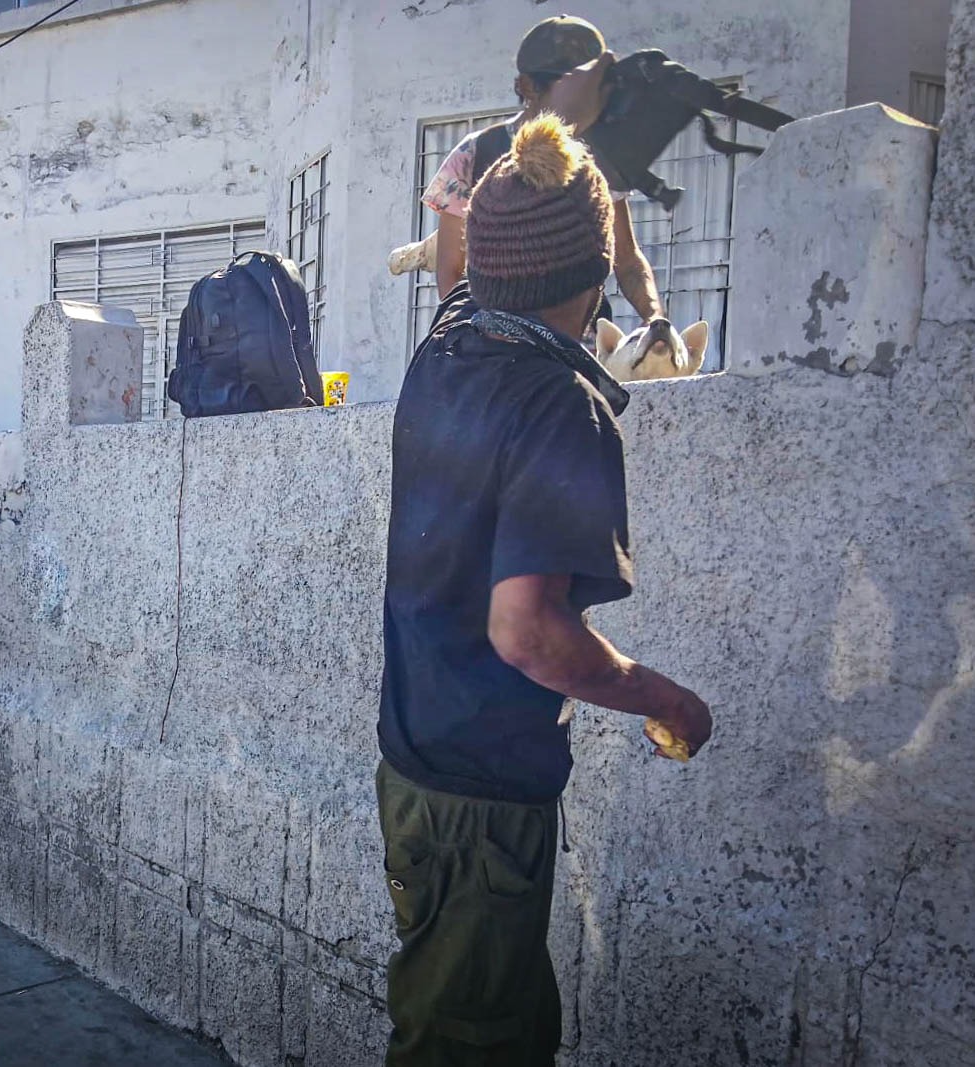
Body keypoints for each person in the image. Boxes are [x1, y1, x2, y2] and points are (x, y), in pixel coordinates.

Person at [376, 113, 713, 1066]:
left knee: (493, 1028)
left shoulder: (446, 344)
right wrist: (665, 696)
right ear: (597, 270)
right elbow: (525, 630)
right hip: (480, 797)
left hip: (410, 766)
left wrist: (475, 188)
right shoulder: (560, 406)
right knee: (468, 1046)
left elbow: (452, 271)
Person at [422, 15, 662, 326]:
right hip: (498, 350)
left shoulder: (600, 159)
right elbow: (452, 270)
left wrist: (655, 320)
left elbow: (627, 260)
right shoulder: (477, 153)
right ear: (527, 86)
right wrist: (477, 339)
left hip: (577, 352)